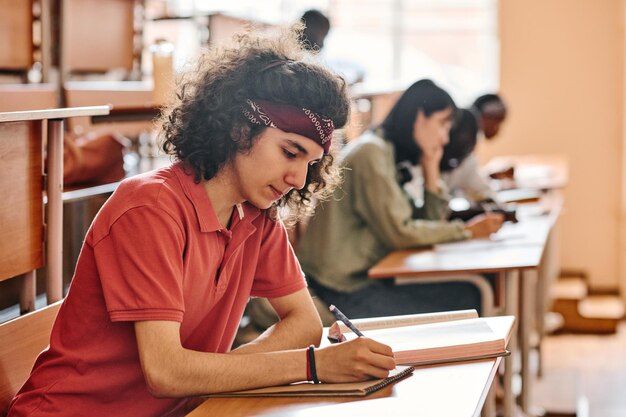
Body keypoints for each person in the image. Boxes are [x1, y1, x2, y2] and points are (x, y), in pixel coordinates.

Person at [8, 28, 397, 417]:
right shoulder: (150, 208)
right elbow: (167, 373)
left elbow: (304, 324)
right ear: (240, 128)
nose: (298, 178)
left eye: (310, 163)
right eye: (290, 152)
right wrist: (311, 366)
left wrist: (222, 375)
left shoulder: (256, 215)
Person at [297, 79, 504, 319]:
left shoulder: (387, 153)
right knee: (470, 296)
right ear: (419, 117)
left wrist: (431, 169)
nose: (445, 138)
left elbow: (423, 225)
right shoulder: (371, 154)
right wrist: (467, 232)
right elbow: (402, 233)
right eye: (442, 124)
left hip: (360, 281)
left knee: (472, 290)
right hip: (339, 290)